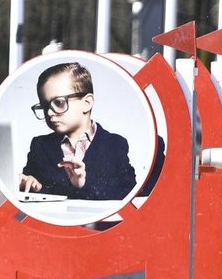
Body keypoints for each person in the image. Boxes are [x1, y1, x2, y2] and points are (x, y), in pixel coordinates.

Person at [18, 61, 139, 201]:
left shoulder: (114, 144)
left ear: (87, 103)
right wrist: (29, 183)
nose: (50, 113)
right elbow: (30, 189)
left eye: (59, 102)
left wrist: (84, 185)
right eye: (45, 106)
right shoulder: (40, 146)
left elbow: (128, 194)